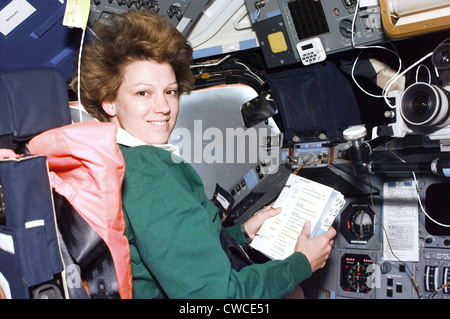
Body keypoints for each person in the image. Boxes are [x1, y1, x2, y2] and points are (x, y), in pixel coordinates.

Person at [71, 9, 336, 299]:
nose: (163, 107)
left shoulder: (115, 158)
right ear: (109, 101)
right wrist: (301, 263)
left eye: (170, 91)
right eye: (143, 93)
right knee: (295, 292)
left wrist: (243, 233)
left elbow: (171, 253)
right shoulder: (150, 172)